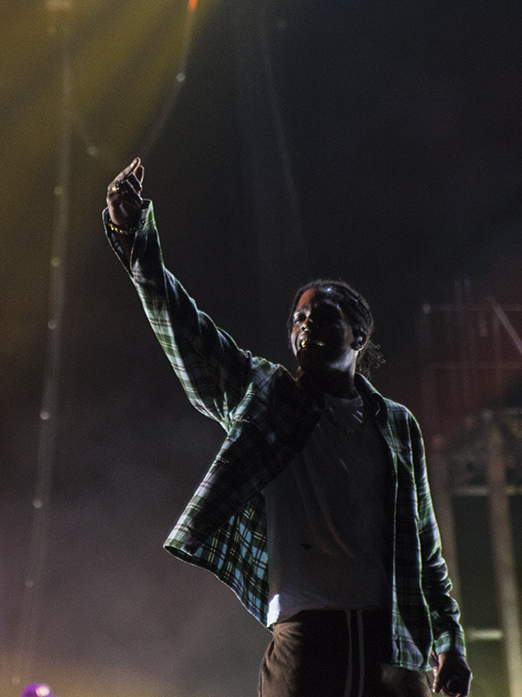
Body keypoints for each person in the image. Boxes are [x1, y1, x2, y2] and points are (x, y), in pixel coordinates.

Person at [104, 157, 471, 696]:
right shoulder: (269, 397)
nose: (305, 325)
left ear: (359, 334)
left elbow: (425, 549)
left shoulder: (395, 426)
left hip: (392, 646)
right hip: (305, 638)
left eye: (322, 314)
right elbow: (187, 332)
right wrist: (134, 236)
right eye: (298, 319)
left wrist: (450, 643)